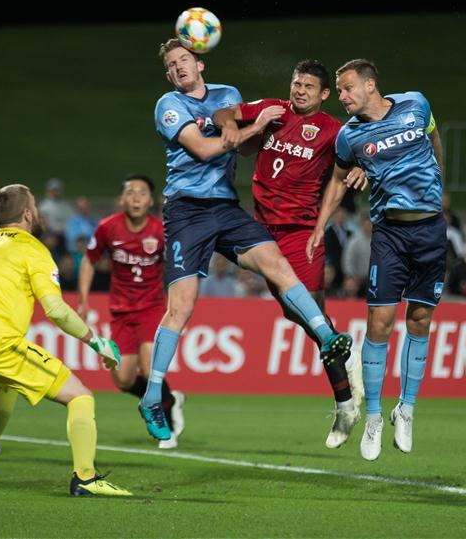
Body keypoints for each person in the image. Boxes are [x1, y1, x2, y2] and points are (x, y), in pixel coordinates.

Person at [141, 39, 353, 441]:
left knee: (277, 265)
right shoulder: (168, 105)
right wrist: (255, 126)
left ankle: (329, 337)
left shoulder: (228, 95)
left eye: (184, 60)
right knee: (181, 308)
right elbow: (205, 149)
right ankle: (152, 395)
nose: (178, 68)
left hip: (225, 206)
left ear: (199, 63)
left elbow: (247, 141)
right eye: (171, 65)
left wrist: (265, 135)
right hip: (186, 210)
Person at [0, 184, 131, 496]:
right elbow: (55, 309)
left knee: (7, 385)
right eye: (35, 209)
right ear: (28, 214)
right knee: (80, 396)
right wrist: (97, 342)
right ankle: (86, 478)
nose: (38, 214)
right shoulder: (32, 250)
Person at [213, 59, 364, 448]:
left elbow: (360, 154)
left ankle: (345, 403)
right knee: (294, 312)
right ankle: (344, 357)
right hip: (262, 230)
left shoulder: (333, 130)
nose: (299, 91)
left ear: (324, 94)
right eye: (297, 83)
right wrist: (237, 125)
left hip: (301, 233)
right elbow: (221, 112)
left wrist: (364, 170)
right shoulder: (273, 109)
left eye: (309, 87)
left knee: (311, 309)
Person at [308, 58, 446, 461]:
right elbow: (336, 179)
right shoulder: (350, 137)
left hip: (430, 230)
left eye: (348, 88)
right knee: (380, 323)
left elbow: (435, 140)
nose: (343, 96)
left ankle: (407, 409)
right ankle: (373, 417)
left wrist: (440, 180)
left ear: (371, 85)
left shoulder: (416, 105)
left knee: (420, 320)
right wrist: (321, 225)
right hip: (390, 235)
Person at [77, 174, 186, 449]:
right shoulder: (107, 228)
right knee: (123, 380)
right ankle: (171, 398)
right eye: (130, 192)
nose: (136, 197)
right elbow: (89, 261)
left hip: (151, 308)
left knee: (150, 369)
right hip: (120, 312)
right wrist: (83, 300)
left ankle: (167, 427)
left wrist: (176, 300)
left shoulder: (160, 231)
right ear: (121, 199)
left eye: (141, 193)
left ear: (151, 200)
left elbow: (176, 269)